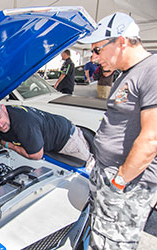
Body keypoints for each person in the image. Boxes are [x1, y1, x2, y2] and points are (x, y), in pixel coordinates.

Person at [80, 12, 157, 249]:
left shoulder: (152, 71)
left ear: (121, 41)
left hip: (128, 182)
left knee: (113, 243)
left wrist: (119, 182)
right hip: (108, 173)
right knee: (98, 234)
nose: (93, 58)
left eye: (98, 49)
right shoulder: (127, 73)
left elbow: (151, 138)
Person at [0, 99, 94, 171]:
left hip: (67, 139)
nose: (0, 124)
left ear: (4, 108)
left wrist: (9, 145)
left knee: (86, 173)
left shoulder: (23, 123)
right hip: (43, 140)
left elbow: (36, 155)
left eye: (0, 117)